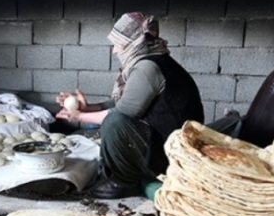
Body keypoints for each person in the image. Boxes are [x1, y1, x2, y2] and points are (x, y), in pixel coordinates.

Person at [56, 12, 205, 199]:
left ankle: (124, 182)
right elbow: (126, 101)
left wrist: (79, 116)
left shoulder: (148, 68)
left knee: (114, 123)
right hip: (169, 142)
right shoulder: (153, 59)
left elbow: (121, 113)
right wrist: (88, 108)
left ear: (135, 43)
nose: (115, 51)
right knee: (115, 119)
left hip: (172, 153)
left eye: (119, 44)